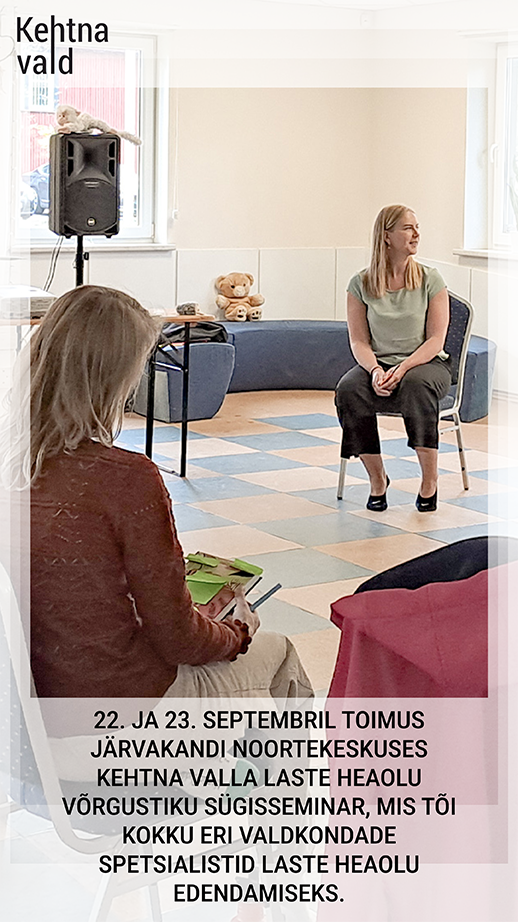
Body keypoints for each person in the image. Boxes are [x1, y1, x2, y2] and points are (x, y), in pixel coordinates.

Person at [5, 285, 311, 726]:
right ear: (118, 377)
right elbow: (178, 640)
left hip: (30, 714)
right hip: (119, 705)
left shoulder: (15, 466)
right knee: (278, 652)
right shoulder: (126, 478)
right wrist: (236, 632)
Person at [335, 204, 451, 512]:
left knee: (415, 385)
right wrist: (375, 371)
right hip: (381, 364)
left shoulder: (431, 279)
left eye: (417, 228)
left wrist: (403, 367)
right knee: (349, 389)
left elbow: (436, 340)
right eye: (408, 228)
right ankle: (377, 479)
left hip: (426, 363)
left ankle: (429, 481)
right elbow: (359, 341)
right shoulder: (360, 283)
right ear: (386, 236)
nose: (416, 234)